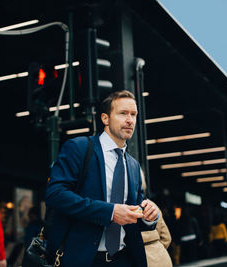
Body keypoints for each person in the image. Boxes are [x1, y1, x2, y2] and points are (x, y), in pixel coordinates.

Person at [45, 90, 159, 266]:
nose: (130, 120)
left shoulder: (134, 166)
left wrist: (147, 215)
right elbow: (55, 194)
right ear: (105, 119)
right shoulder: (79, 148)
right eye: (123, 113)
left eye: (133, 114)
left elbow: (133, 211)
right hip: (84, 260)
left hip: (124, 259)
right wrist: (110, 212)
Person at [140, 171, 172, 267]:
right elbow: (167, 238)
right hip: (161, 258)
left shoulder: (121, 209)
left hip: (142, 260)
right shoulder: (152, 205)